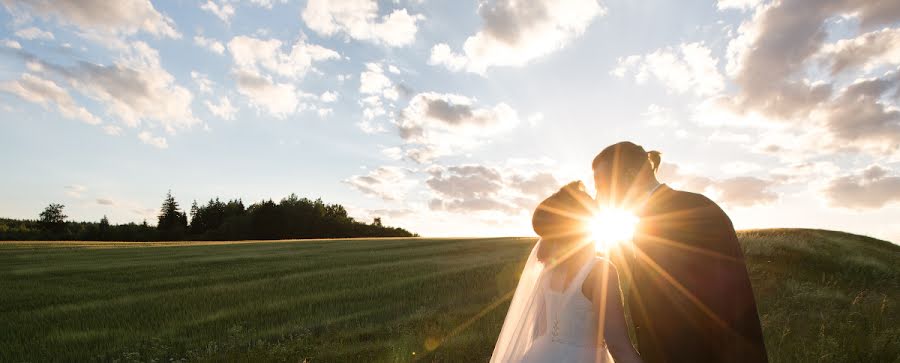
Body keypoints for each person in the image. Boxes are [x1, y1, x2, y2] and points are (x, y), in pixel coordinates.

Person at [591, 141, 768, 362]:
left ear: (627, 176)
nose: (598, 197)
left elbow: (726, 306)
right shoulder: (647, 222)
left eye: (601, 185)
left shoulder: (697, 213)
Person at [491, 181, 642, 363]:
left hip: (541, 354)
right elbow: (619, 346)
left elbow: (541, 328)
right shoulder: (600, 271)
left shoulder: (548, 269)